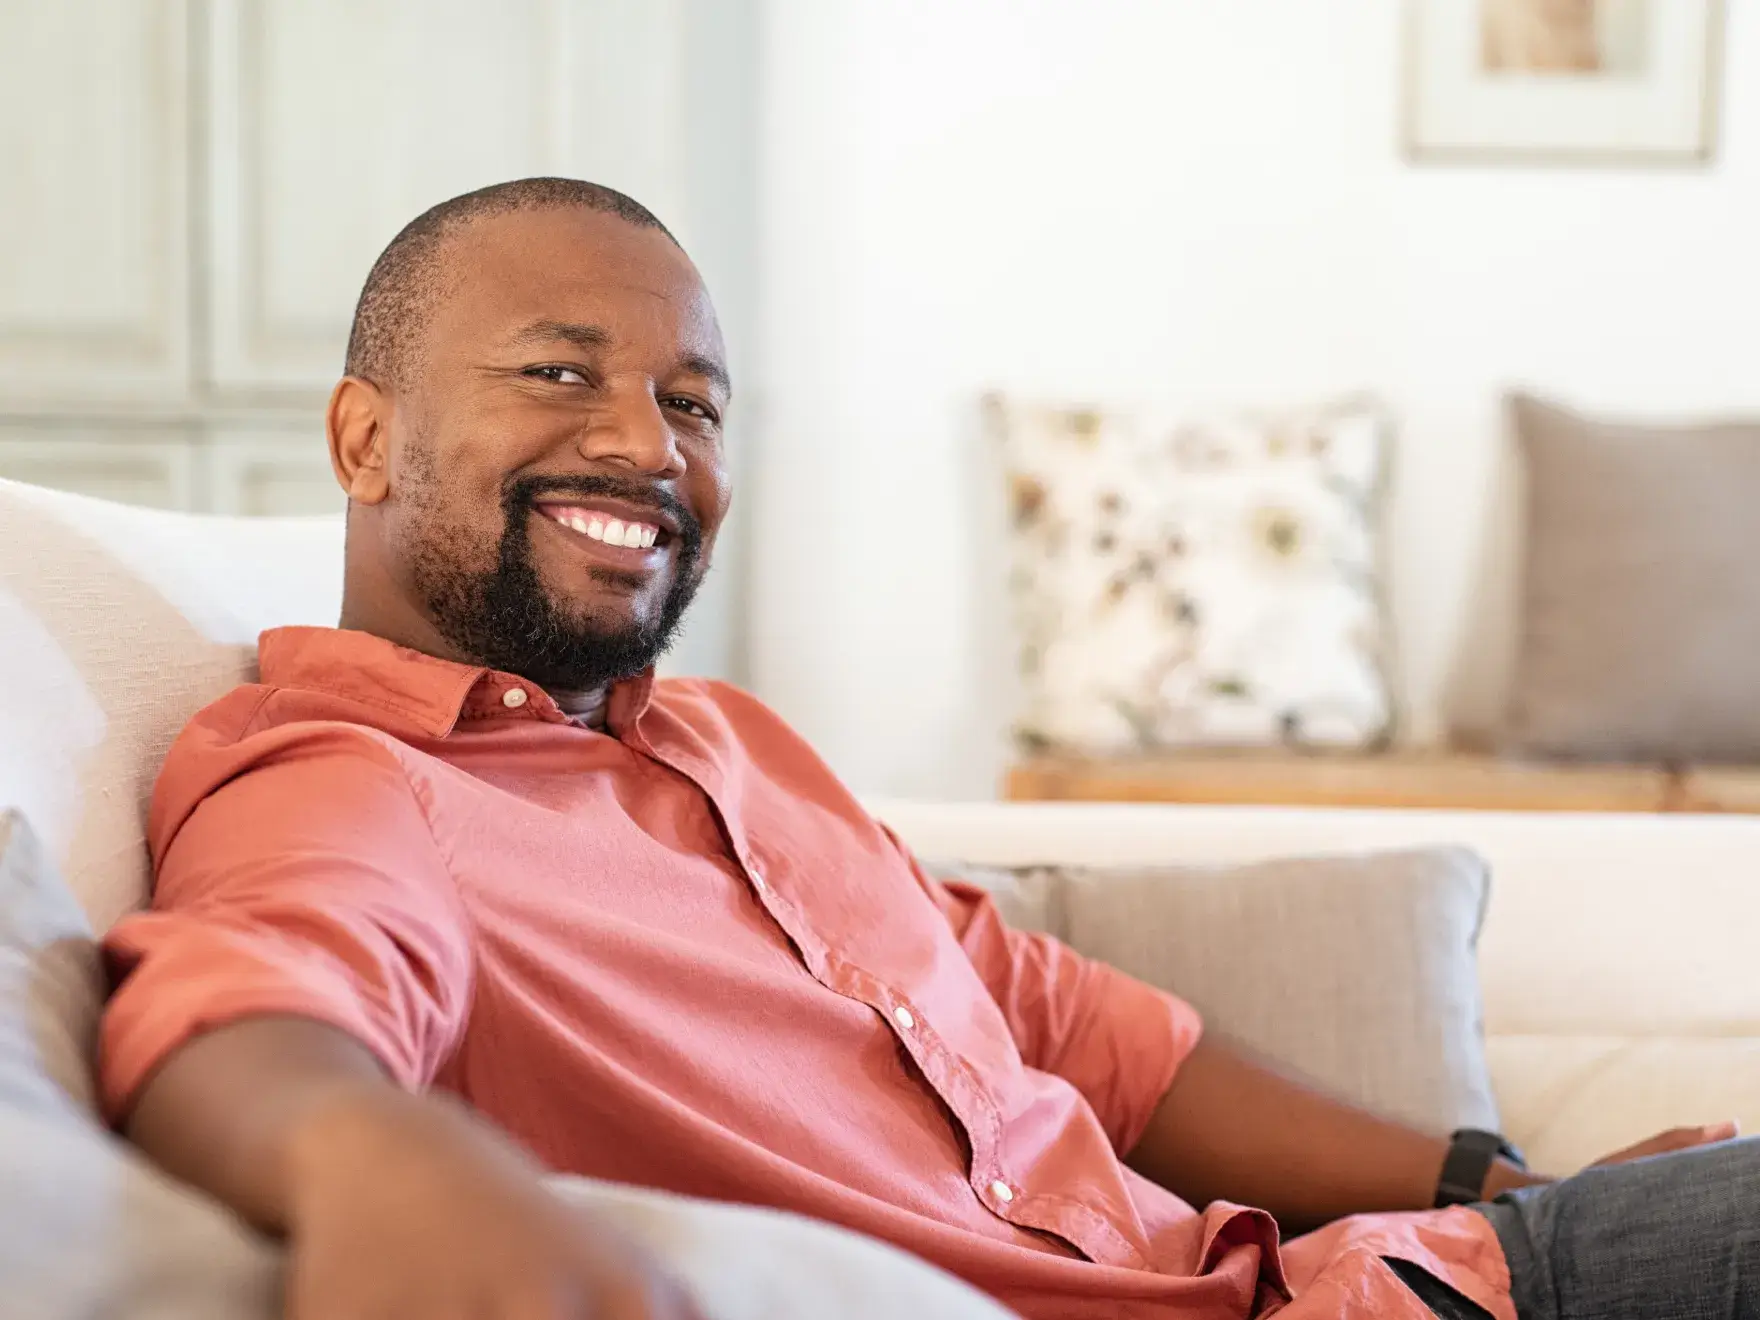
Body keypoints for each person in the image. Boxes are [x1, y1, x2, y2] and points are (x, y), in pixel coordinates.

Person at [99, 177, 1755, 1320]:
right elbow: (252, 1002)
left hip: (1390, 1274)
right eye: (559, 373)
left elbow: (1067, 1020)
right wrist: (374, 1167)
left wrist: (1510, 1175)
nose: (643, 442)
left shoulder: (730, 744)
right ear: (363, 434)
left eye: (695, 401)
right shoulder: (349, 776)